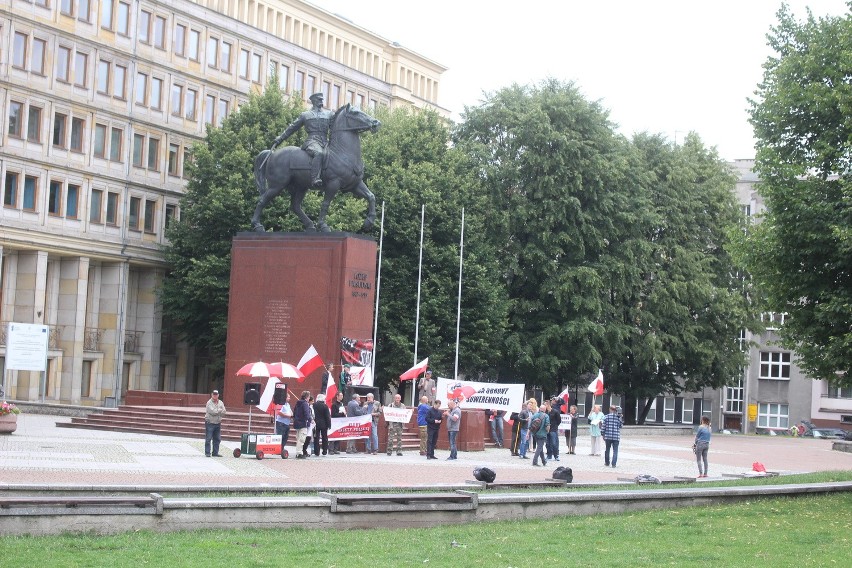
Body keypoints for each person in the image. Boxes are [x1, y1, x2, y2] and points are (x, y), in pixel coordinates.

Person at [273, 92, 333, 187]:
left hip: (326, 142)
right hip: (312, 141)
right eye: (319, 99)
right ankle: (315, 179)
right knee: (319, 153)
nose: (321, 101)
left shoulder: (328, 115)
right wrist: (280, 138)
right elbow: (292, 128)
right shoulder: (305, 115)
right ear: (313, 101)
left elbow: (336, 127)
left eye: (322, 99)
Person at [204, 389, 226, 457]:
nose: (215, 396)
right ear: (212, 395)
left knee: (217, 439)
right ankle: (207, 453)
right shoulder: (209, 403)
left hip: (218, 423)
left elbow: (224, 412)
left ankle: (215, 453)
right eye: (214, 394)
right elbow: (213, 412)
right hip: (210, 423)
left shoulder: (221, 402)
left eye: (216, 394)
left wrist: (219, 411)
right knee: (208, 438)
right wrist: (220, 410)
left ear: (218, 395)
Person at [293, 390, 312, 459]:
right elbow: (307, 413)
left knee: (298, 438)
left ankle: (298, 452)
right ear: (307, 397)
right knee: (302, 439)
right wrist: (311, 420)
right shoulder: (305, 404)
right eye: (309, 397)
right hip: (303, 423)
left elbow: (294, 412)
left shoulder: (298, 403)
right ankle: (299, 453)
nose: (309, 398)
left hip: (297, 423)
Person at [531, 401, 550, 467]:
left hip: (535, 433)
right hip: (542, 434)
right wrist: (547, 431)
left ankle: (544, 461)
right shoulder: (546, 416)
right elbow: (547, 425)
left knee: (540, 447)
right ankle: (534, 461)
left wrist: (530, 432)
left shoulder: (535, 414)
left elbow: (531, 424)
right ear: (544, 410)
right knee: (539, 448)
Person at [330, 390, 346, 454]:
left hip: (340, 422)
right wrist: (341, 414)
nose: (342, 397)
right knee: (334, 435)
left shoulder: (341, 404)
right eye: (341, 395)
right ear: (337, 396)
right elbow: (333, 414)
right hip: (335, 422)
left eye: (342, 395)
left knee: (338, 436)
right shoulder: (334, 405)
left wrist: (344, 414)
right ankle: (331, 449)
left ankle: (336, 449)